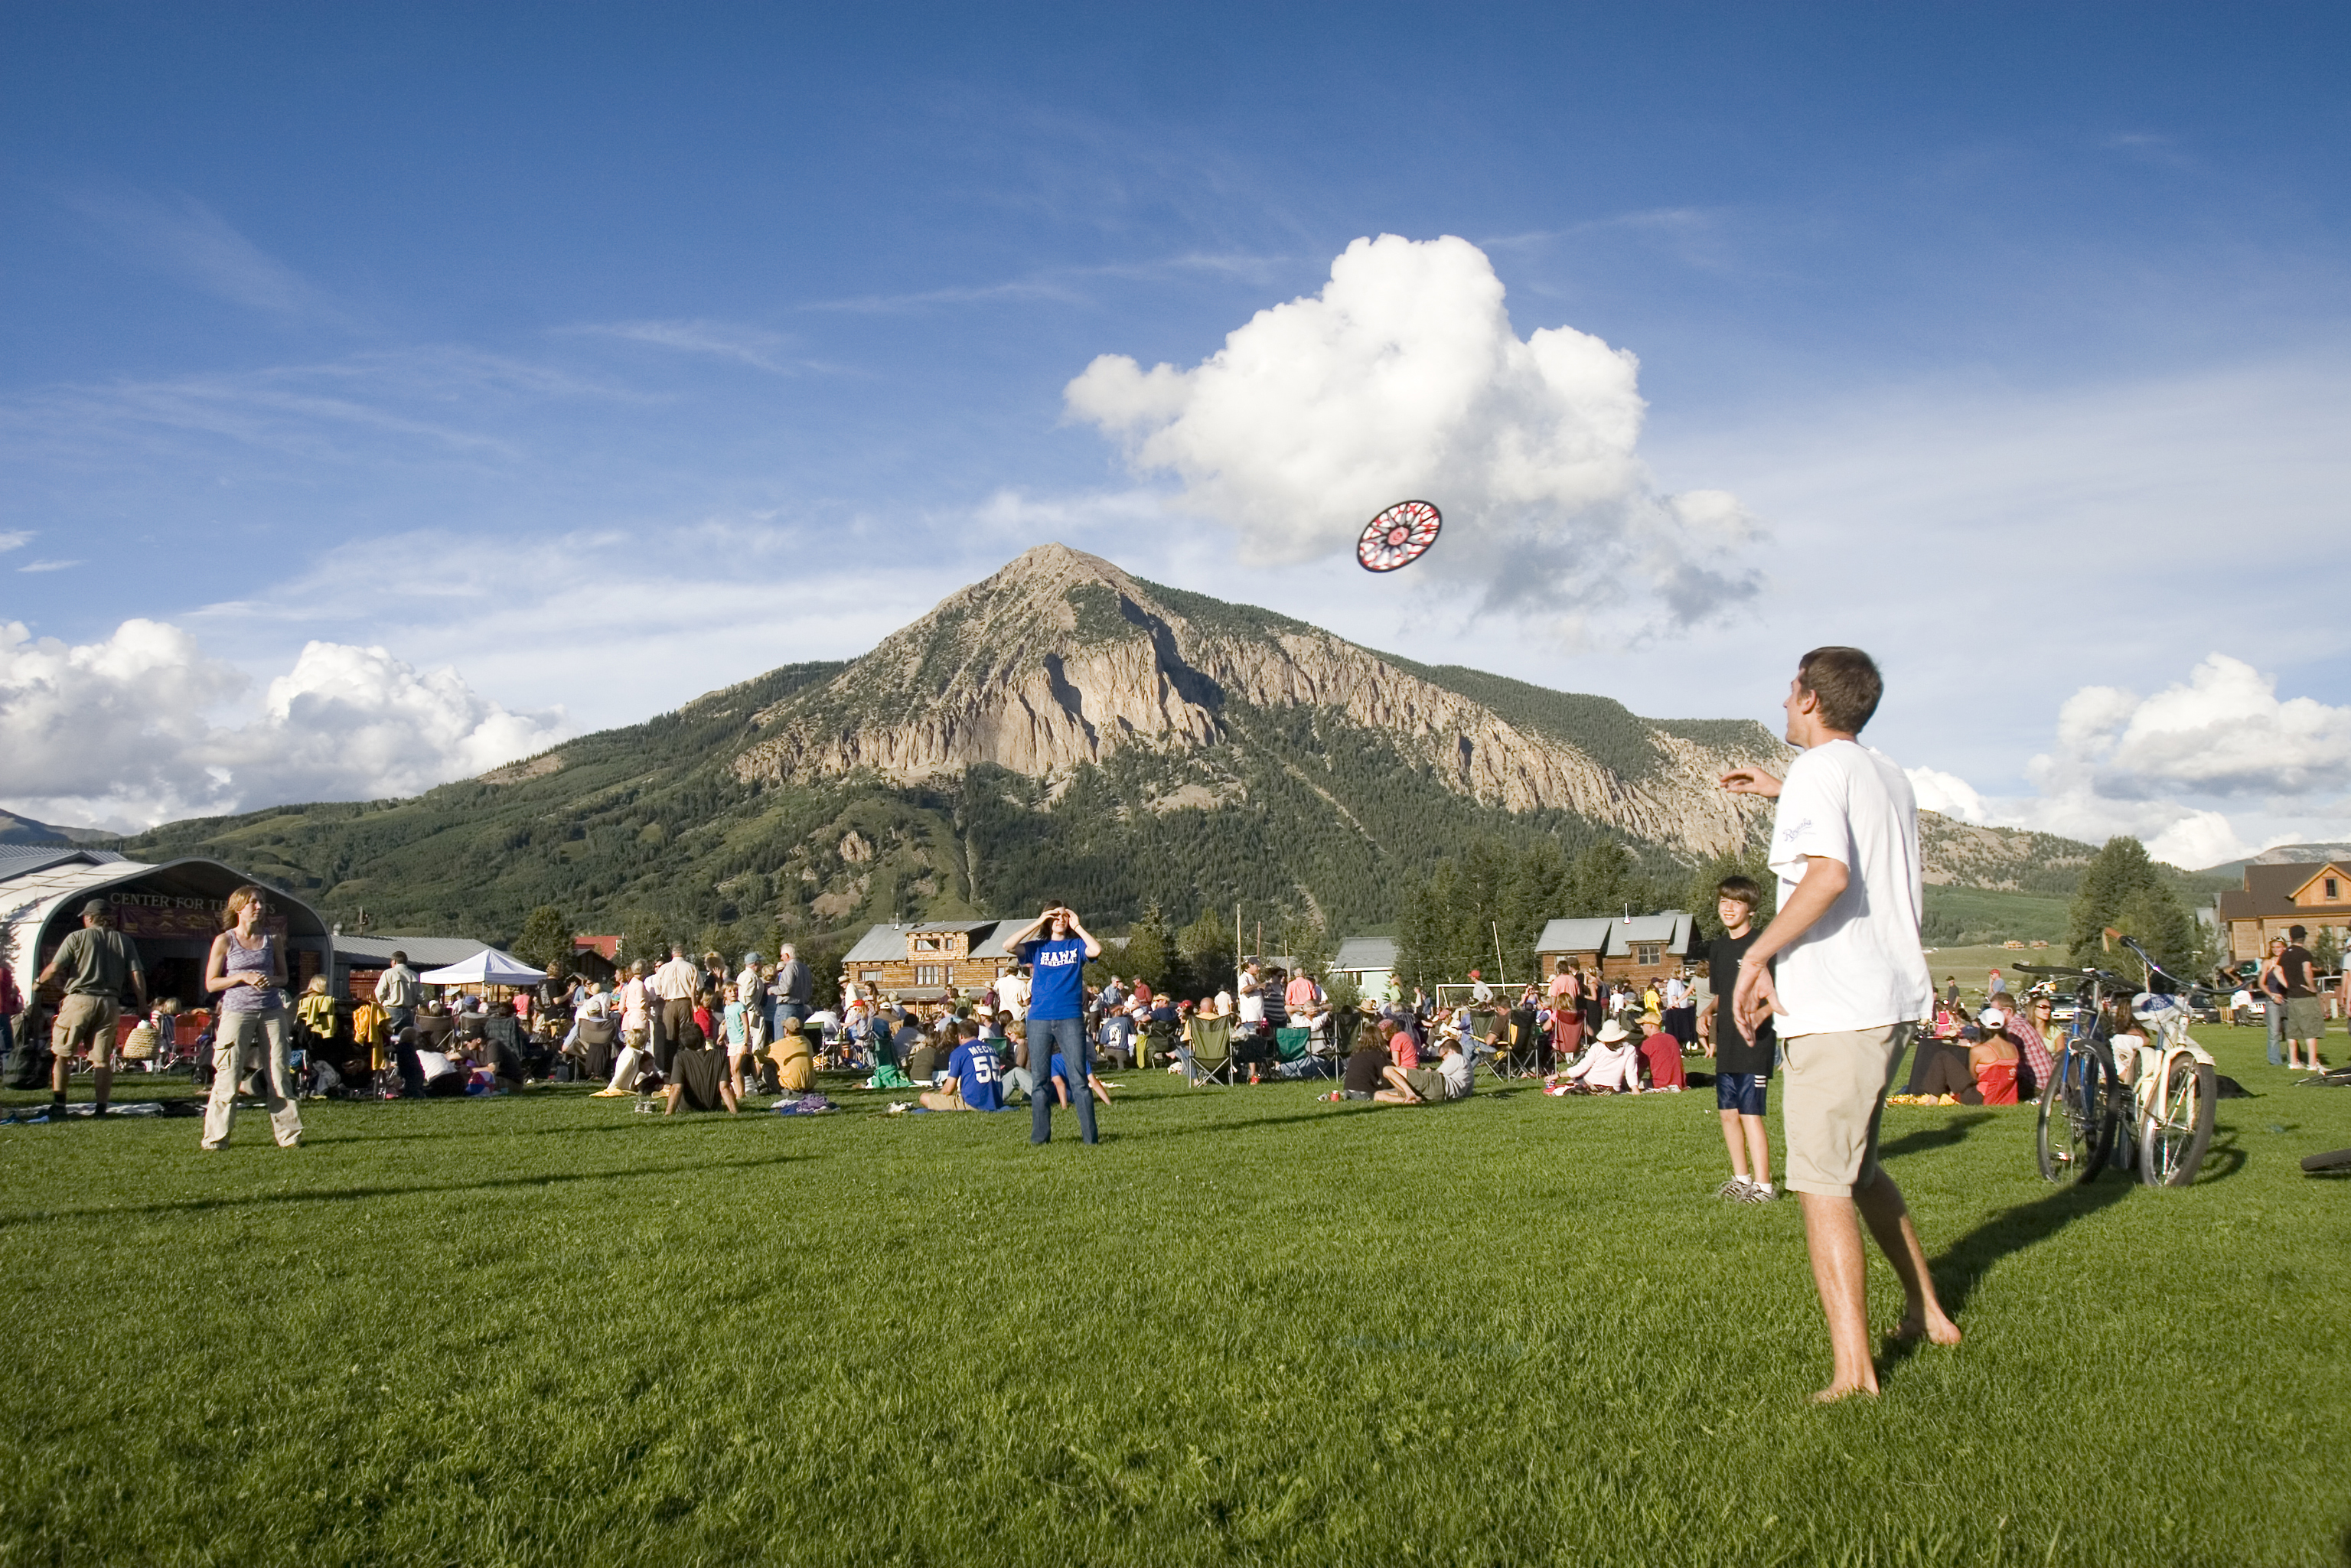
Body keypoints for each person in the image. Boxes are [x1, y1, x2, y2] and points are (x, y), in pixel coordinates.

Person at [1722, 645, 1959, 1401]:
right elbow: (1844, 807)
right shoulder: (1883, 774)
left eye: (1792, 691)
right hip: (1886, 1002)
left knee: (1822, 1183)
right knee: (1858, 1170)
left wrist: (1757, 957)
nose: (1785, 702)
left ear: (1812, 700)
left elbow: (1828, 873)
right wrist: (1778, 788)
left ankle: (1855, 1375)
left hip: (1838, 1007)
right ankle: (1927, 1315)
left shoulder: (1822, 775)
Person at [198, 886, 303, 1149]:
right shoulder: (225, 940)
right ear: (238, 908)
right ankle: (216, 1138)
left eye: (262, 903)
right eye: (253, 903)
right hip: (236, 1013)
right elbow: (211, 983)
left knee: (279, 1073)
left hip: (271, 1011)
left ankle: (290, 1137)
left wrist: (272, 981)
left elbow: (284, 977)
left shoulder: (273, 939)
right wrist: (241, 977)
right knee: (228, 1074)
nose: (259, 907)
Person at [34, 897, 148, 1118]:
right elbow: (136, 974)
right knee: (102, 1059)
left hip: (80, 1000)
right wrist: (142, 1003)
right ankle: (101, 1109)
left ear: (88, 918)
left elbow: (56, 967)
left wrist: (39, 983)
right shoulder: (124, 941)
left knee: (63, 1054)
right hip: (110, 1004)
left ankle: (59, 1105)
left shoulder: (77, 937)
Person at [1002, 903, 1102, 1145]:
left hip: (1070, 1018)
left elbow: (1096, 949)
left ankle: (1091, 1139)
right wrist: (1038, 922)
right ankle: (1040, 1138)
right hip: (1039, 1019)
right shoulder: (1037, 948)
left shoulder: (1076, 945)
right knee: (1040, 1081)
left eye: (1064, 915)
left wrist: (1077, 926)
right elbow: (1008, 945)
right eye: (1055, 915)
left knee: (1079, 1080)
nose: (1060, 919)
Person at [1704, 875, 1778, 1201]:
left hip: (1754, 1043)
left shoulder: (1764, 945)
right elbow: (1724, 993)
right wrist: (1706, 1011)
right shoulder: (1718, 948)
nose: (1728, 908)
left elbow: (1777, 996)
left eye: (1736, 902)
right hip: (1728, 1042)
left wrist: (1759, 1015)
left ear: (1751, 909)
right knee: (1727, 1113)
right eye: (1723, 901)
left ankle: (1764, 1186)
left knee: (1751, 1114)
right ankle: (1741, 1178)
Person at [921, 1021, 1007, 1111]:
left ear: (961, 1036)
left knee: (924, 1097)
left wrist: (939, 1099)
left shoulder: (959, 1052)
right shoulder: (992, 1049)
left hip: (973, 1103)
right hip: (996, 1101)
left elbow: (949, 1089)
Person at [2281, 924, 2327, 1072]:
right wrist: (2312, 987)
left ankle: (2294, 1062)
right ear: (2304, 937)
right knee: (2310, 1029)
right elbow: (2307, 970)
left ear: (2290, 937)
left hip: (2292, 995)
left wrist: (2288, 985)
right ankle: (2312, 1064)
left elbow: (2277, 970)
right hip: (2304, 995)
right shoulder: (2305, 954)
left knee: (2293, 1030)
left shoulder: (2285, 954)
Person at [1550, 1018, 1639, 1093]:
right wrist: (1636, 1091)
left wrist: (1558, 1075)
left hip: (1590, 1083)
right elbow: (1631, 1074)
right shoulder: (1630, 1049)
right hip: (1613, 1088)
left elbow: (1581, 1069)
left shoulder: (1597, 1047)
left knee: (1567, 1084)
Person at [652, 945, 699, 1074]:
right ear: (684, 953)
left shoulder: (663, 969)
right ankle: (686, 1067)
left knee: (670, 1038)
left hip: (670, 1004)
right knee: (686, 1035)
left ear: (672, 954)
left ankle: (670, 1069)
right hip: (686, 1003)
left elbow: (658, 990)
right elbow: (699, 987)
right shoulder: (691, 968)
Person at [1339, 1027, 1390, 1101]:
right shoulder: (1378, 1054)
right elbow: (1385, 1080)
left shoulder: (1356, 1053)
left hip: (1348, 1091)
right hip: (1364, 1092)